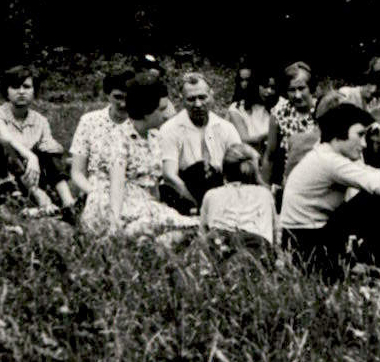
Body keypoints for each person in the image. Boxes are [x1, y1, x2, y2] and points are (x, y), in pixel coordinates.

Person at [280, 103, 380, 282]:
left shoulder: (329, 154)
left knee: (379, 200)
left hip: (307, 237)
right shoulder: (331, 161)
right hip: (307, 243)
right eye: (360, 135)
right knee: (379, 200)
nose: (364, 143)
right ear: (339, 133)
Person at [80, 75, 199, 237]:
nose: (167, 115)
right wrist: (114, 222)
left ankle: (150, 237)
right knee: (174, 224)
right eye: (162, 109)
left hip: (143, 203)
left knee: (175, 226)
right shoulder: (118, 138)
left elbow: (154, 183)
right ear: (146, 112)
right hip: (116, 204)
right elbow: (117, 183)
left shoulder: (155, 137)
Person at [0, 65, 76, 216]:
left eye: (26, 87)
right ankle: (37, 197)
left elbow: (52, 149)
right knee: (4, 146)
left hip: (29, 175)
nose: (21, 92)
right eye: (15, 87)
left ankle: (68, 203)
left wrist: (53, 150)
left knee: (50, 153)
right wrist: (31, 157)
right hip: (0, 174)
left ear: (34, 91)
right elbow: (7, 140)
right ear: (6, 91)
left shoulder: (40, 120)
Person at [158, 72, 242, 211]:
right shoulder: (170, 129)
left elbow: (240, 168)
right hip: (183, 196)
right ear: (182, 100)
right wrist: (197, 204)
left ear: (211, 95)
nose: (197, 104)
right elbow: (169, 175)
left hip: (221, 195)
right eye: (191, 99)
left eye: (202, 97)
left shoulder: (226, 128)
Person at [69, 68, 133, 200]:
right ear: (107, 95)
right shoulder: (89, 121)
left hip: (132, 192)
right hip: (96, 191)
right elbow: (77, 172)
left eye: (129, 98)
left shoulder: (141, 124)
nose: (123, 104)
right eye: (117, 97)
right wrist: (94, 194)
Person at [200, 144, 279, 249]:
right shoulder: (265, 194)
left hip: (221, 251)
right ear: (255, 170)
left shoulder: (211, 195)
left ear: (224, 171)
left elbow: (203, 235)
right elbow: (275, 238)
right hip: (256, 253)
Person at [262, 61, 318, 186]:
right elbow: (269, 156)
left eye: (301, 88)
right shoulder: (280, 114)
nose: (297, 95)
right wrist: (264, 189)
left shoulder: (322, 111)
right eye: (292, 90)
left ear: (311, 87)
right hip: (291, 182)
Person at [226, 66, 277, 155]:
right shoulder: (237, 108)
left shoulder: (274, 108)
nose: (269, 91)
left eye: (272, 88)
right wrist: (271, 134)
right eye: (265, 86)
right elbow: (244, 139)